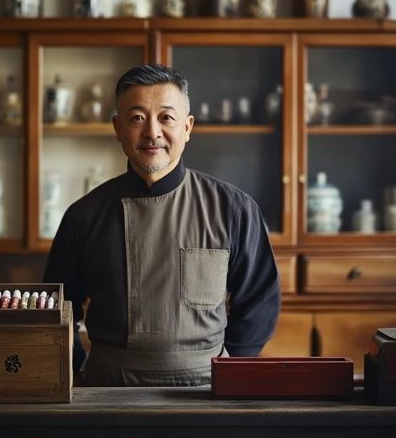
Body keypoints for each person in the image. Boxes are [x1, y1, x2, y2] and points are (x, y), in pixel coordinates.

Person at [43, 64, 280, 386]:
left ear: (187, 127)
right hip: (108, 387)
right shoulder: (84, 215)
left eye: (166, 117)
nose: (152, 132)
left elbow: (259, 300)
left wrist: (232, 368)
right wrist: (75, 370)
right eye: (137, 118)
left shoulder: (232, 209)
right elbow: (58, 307)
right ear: (117, 127)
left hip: (206, 385)